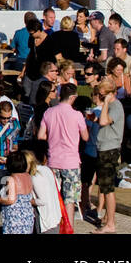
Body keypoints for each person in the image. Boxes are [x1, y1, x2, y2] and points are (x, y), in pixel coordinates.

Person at [37, 82, 89, 227]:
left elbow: (41, 136)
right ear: (73, 97)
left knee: (54, 197)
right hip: (71, 162)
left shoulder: (49, 112)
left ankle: (54, 226)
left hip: (53, 160)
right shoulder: (77, 115)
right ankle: (68, 227)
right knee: (70, 200)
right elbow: (85, 137)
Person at [94, 74, 123, 234]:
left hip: (109, 150)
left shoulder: (115, 106)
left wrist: (105, 103)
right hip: (103, 147)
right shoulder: (111, 105)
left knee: (108, 188)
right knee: (105, 187)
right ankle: (108, 217)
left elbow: (104, 121)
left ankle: (110, 224)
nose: (99, 96)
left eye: (101, 94)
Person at [0, 151, 37, 234]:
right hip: (28, 216)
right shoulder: (28, 177)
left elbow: (11, 199)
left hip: (15, 219)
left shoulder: (11, 179)